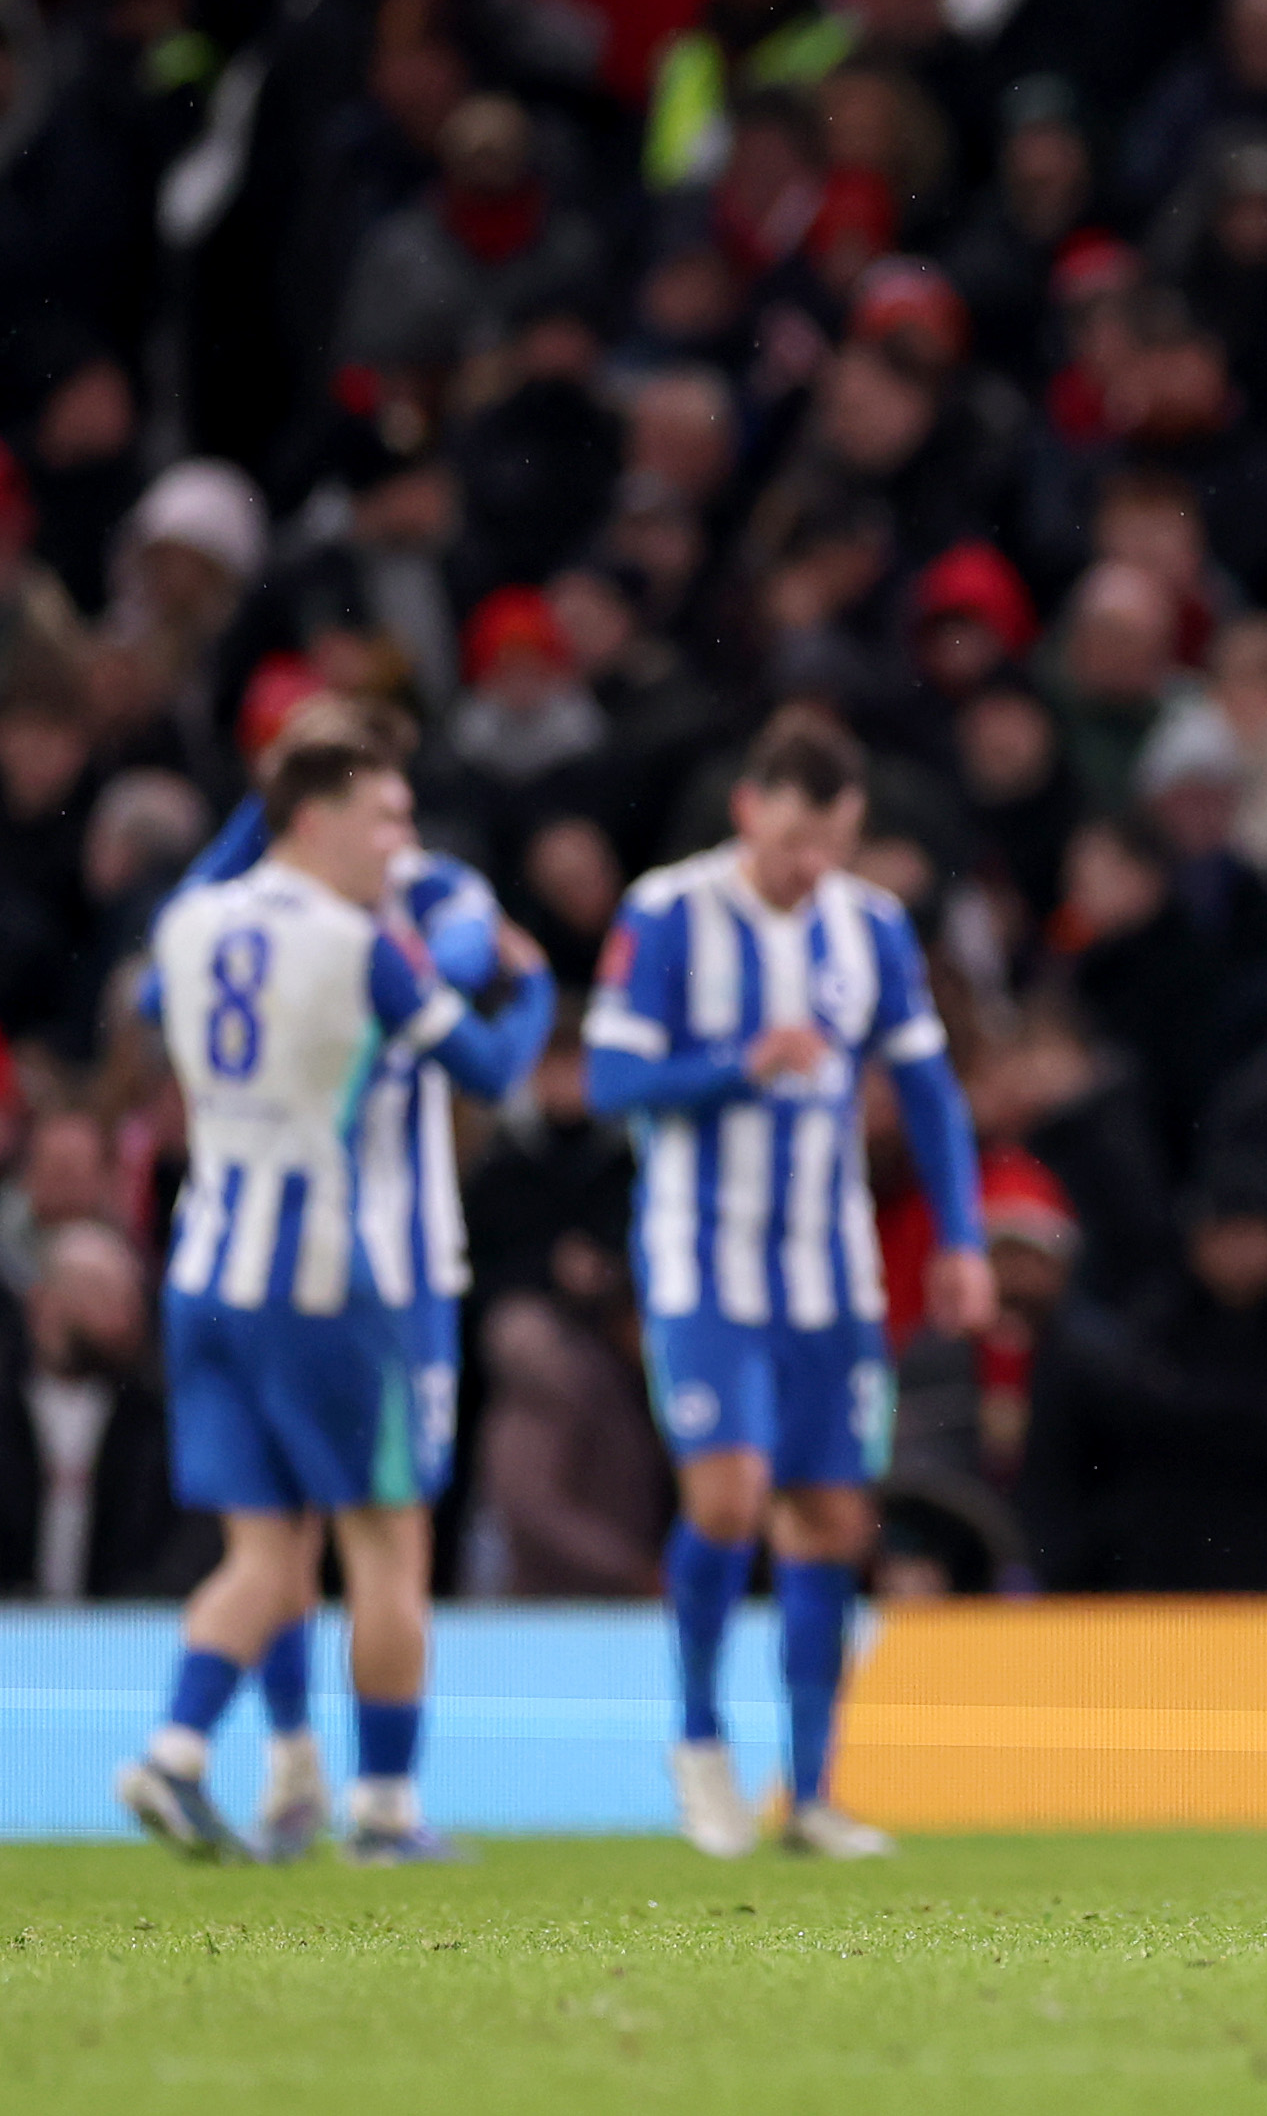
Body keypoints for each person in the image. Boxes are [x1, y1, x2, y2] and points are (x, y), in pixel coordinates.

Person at [115, 727, 552, 1863]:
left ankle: (183, 1752)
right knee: (386, 1544)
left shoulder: (193, 917)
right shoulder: (366, 940)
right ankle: (386, 1808)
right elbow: (491, 1062)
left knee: (264, 1551)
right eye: (384, 817)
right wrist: (539, 982)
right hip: (337, 1275)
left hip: (205, 1262)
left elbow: (159, 996)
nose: (401, 842)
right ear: (313, 817)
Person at [584, 708, 992, 1860]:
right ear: (748, 812)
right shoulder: (668, 912)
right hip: (702, 1261)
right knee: (725, 1498)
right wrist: (735, 1064)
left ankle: (809, 1794)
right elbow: (611, 1077)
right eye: (794, 843)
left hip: (832, 1274)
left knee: (831, 1517)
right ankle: (701, 1740)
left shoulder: (872, 928)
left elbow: (929, 1095)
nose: (813, 869)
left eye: (834, 845)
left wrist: (959, 1238)